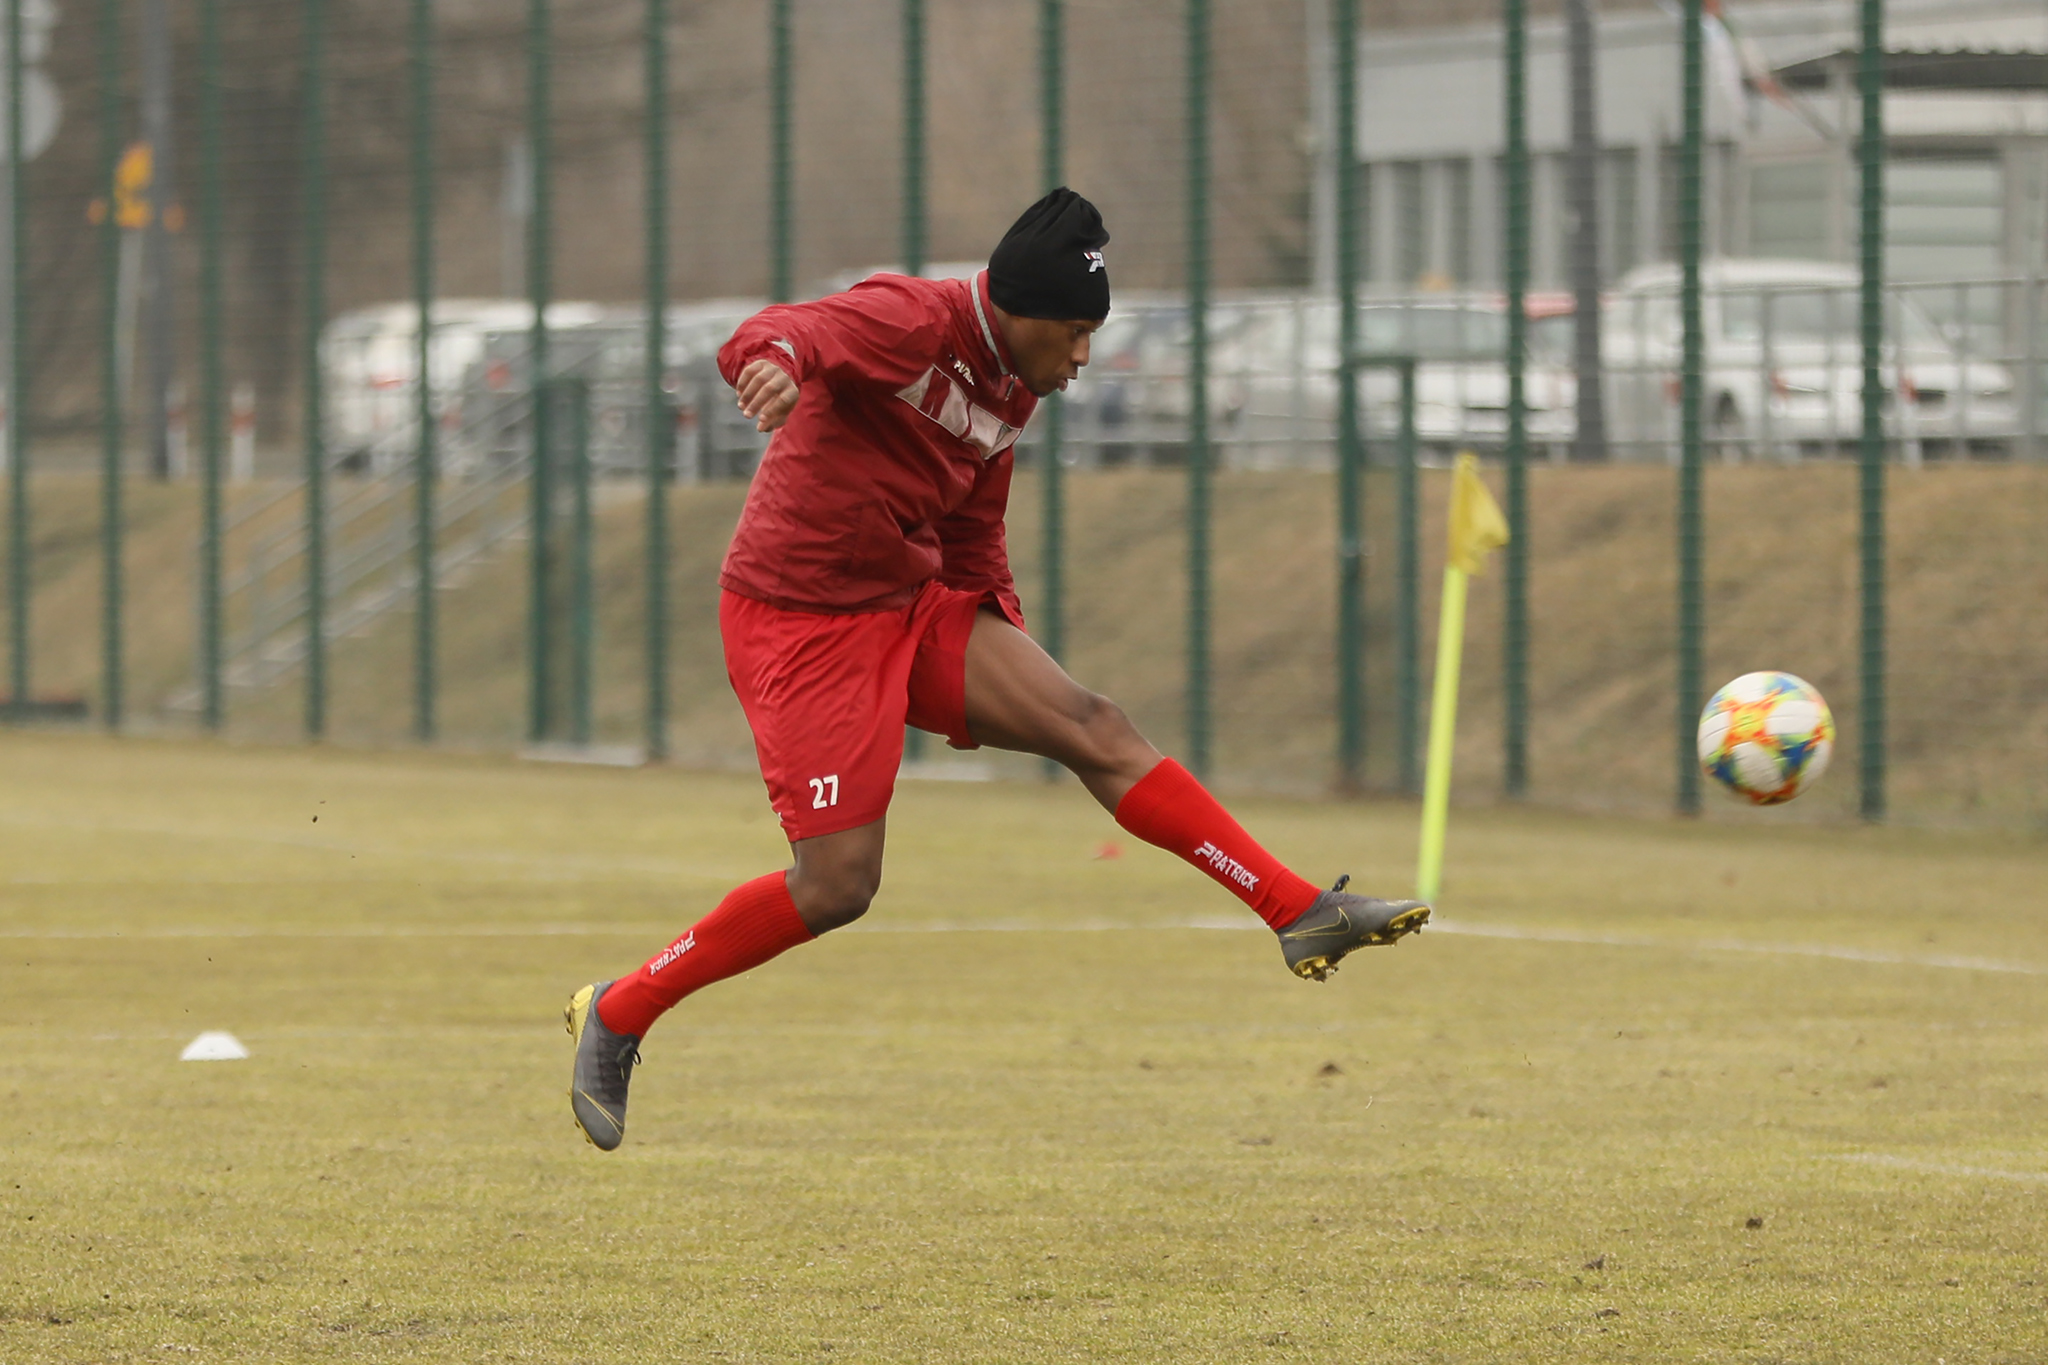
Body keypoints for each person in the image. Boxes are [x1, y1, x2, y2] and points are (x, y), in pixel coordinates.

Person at [565, 189, 1429, 1151]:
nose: (1085, 355)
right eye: (1076, 332)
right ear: (1020, 314)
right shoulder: (911, 319)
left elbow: (974, 531)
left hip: (904, 601)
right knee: (839, 884)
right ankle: (621, 1009)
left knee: (1091, 722)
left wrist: (1004, 643)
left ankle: (1298, 910)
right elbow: (783, 330)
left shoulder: (1013, 386)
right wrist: (768, 365)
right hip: (799, 622)